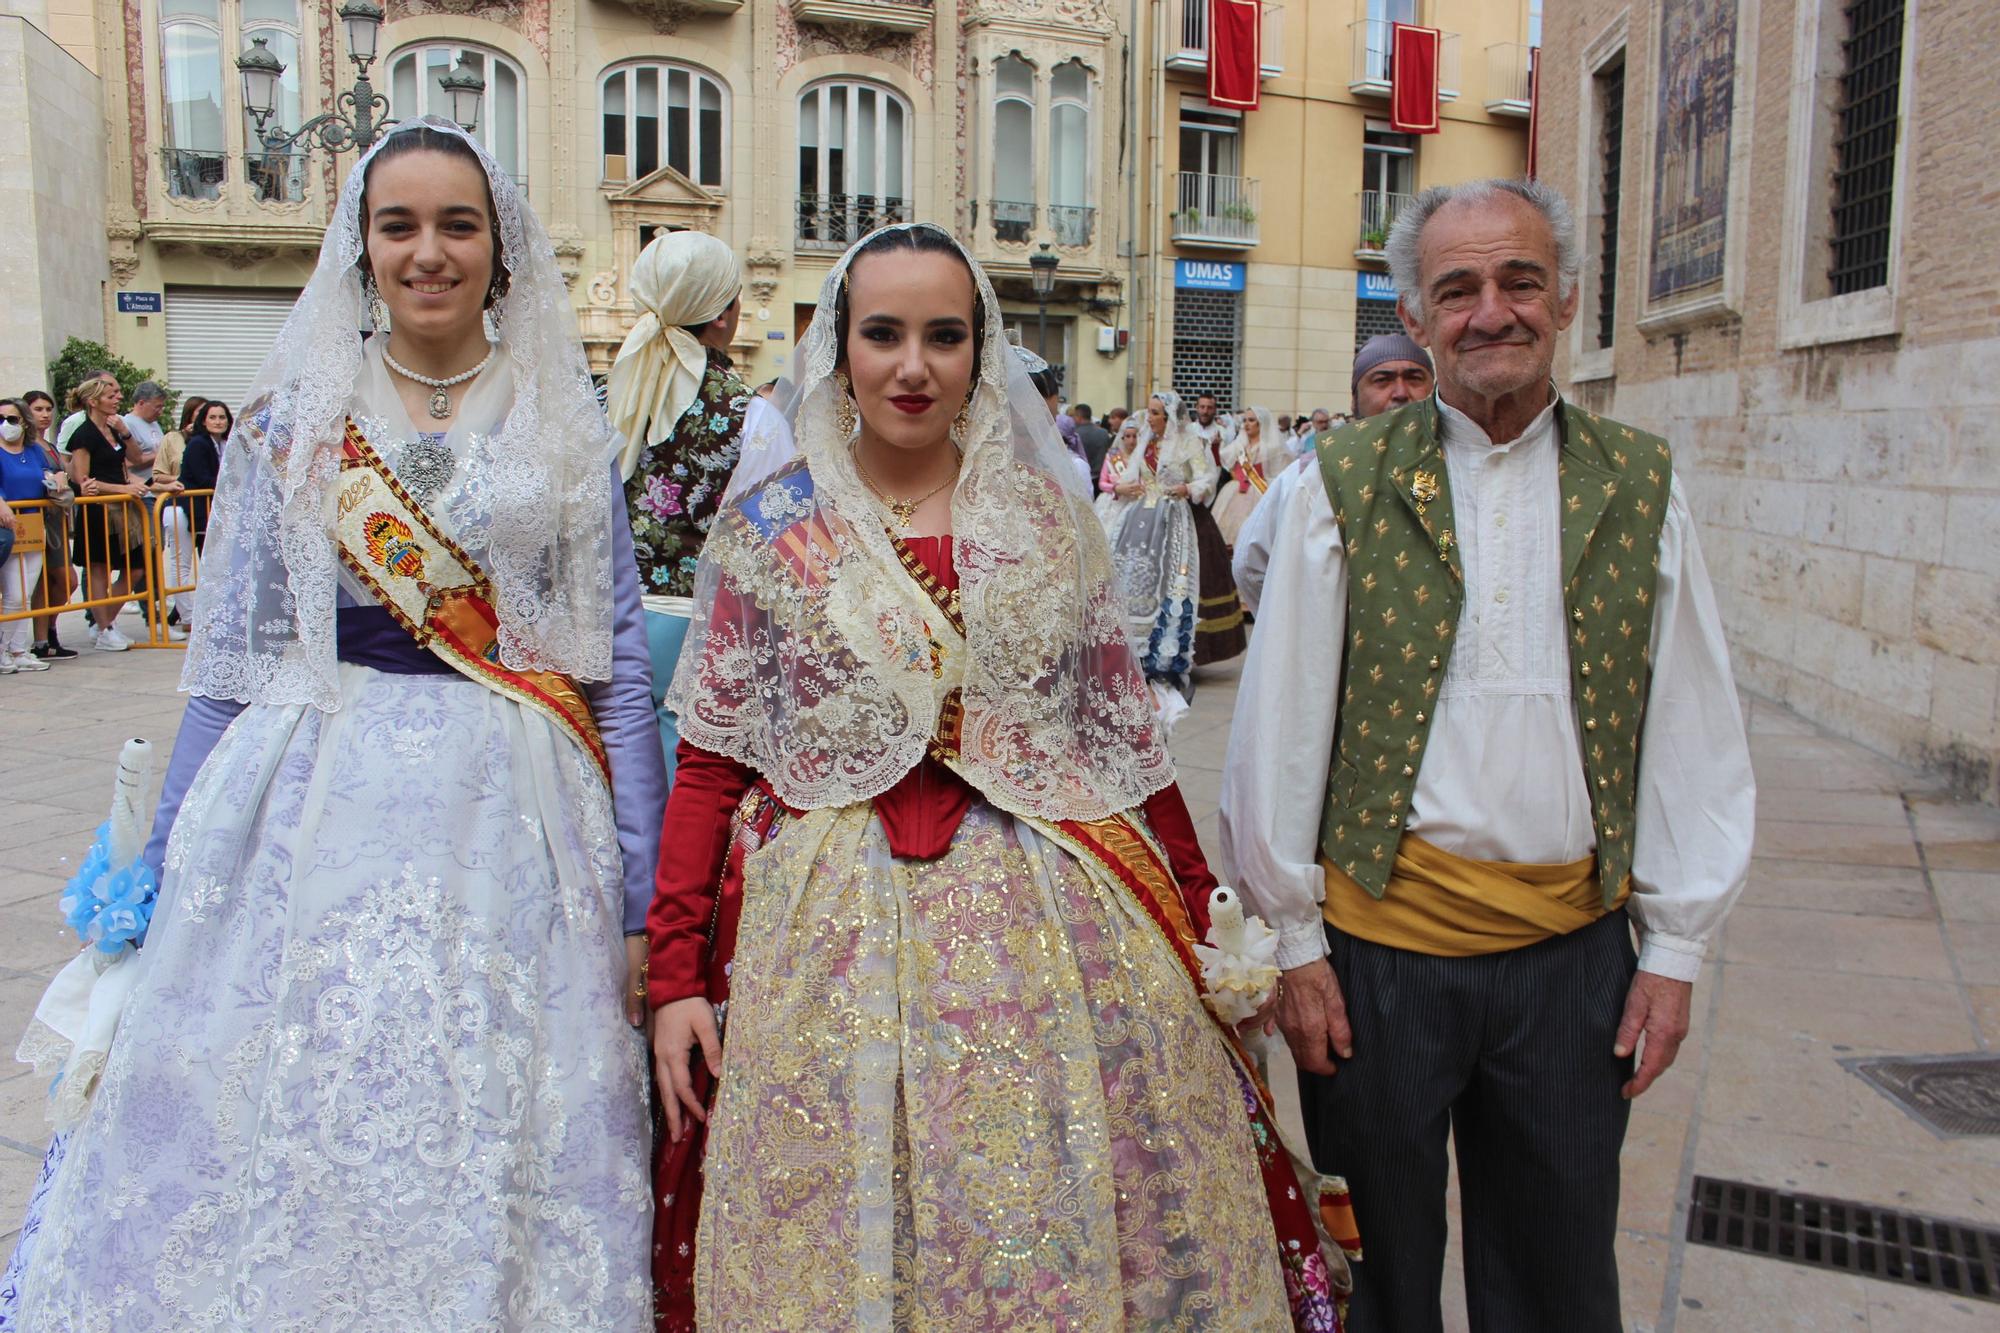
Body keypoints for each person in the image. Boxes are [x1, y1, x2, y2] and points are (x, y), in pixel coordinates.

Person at [2, 118, 665, 1328]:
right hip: (308, 783)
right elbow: (229, 663)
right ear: (360, 247)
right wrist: (160, 866)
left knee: (490, 1099)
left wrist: (638, 891)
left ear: (500, 246)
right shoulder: (293, 418)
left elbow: (614, 661)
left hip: (514, 802)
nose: (427, 251)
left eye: (455, 224)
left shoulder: (564, 423)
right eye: (397, 224)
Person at [645, 222, 1347, 1331]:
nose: (912, 366)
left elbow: (1120, 743)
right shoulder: (767, 527)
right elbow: (710, 766)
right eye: (883, 334)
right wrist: (675, 974)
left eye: (943, 335)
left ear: (981, 353)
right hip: (824, 925)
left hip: (1045, 913)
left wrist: (1202, 923)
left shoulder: (1045, 522)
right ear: (840, 348)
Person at [1220, 178, 1756, 1332]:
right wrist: (1296, 944)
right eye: (1455, 289)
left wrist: (1671, 950)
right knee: (1378, 1273)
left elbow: (1690, 734)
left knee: (1558, 1276)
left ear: (1564, 299)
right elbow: (1280, 725)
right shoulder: (1338, 488)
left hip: (1572, 970)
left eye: (1517, 280)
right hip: (1374, 968)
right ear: (1413, 318)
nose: (1490, 311)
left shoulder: (1639, 489)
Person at [605, 228, 752, 779]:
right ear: (721, 315)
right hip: (697, 628)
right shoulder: (748, 414)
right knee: (680, 784)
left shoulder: (604, 397)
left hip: (607, 621)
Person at [1233, 336, 1437, 616]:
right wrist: (1299, 622)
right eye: (1383, 380)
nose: (1400, 392)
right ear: (1354, 398)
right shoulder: (1313, 473)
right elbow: (1249, 564)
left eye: (1414, 378)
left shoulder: (1455, 468)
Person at [63, 376, 145, 651]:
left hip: (122, 507)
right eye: (110, 395)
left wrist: (125, 431)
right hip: (98, 510)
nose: (117, 399)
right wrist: (122, 488)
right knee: (98, 569)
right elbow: (85, 481)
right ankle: (104, 627)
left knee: (135, 569)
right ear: (93, 401)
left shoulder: (114, 429)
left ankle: (105, 622)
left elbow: (134, 457)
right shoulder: (83, 435)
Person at [0, 398, 58, 673]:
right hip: (7, 527)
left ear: (23, 421)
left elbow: (47, 475)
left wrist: (56, 481)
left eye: (11, 419)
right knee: (13, 593)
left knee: (26, 592)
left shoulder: (34, 451)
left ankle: (18, 649)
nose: (6, 425)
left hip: (33, 524)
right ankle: (2, 649)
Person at [19, 390, 76, 661]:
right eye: (38, 409)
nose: (44, 414)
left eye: (47, 409)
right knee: (44, 581)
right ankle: (41, 638)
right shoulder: (27, 446)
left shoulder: (50, 446)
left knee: (64, 581)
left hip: (56, 519)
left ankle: (49, 630)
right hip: (34, 519)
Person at [151, 394, 206, 638]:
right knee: (180, 561)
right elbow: (158, 475)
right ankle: (186, 613)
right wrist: (182, 481)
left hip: (207, 507)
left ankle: (206, 611)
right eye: (201, 413)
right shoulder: (173, 439)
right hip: (179, 505)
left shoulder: (215, 441)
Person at [1212, 405, 1283, 547]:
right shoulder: (1239, 445)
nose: (1246, 424)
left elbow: (1279, 475)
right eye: (1245, 420)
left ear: (1261, 423)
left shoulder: (1271, 448)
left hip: (1259, 493)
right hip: (1234, 492)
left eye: (1251, 420)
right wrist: (1215, 446)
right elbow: (1224, 461)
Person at [119, 380, 167, 484]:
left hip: (160, 489)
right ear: (141, 403)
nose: (160, 411)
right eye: (157, 407)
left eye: (162, 407)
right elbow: (126, 463)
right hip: (141, 489)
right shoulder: (126, 424)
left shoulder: (155, 424)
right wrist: (159, 455)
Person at [1072, 401, 1112, 477]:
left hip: (1083, 477)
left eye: (1074, 416)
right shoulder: (1104, 433)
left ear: (1079, 416)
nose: (1073, 419)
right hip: (1102, 477)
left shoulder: (1075, 434)